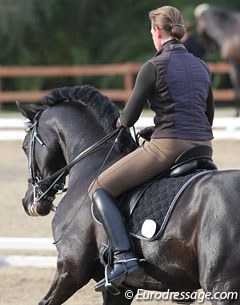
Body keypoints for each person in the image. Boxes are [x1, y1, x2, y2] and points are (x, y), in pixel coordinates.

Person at [89, 5, 214, 293]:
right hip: (204, 147)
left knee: (99, 187)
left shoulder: (153, 66)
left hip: (168, 147)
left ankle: (124, 258)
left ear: (157, 32)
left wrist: (125, 122)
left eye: (151, 32)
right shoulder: (202, 66)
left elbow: (128, 119)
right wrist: (158, 128)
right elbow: (206, 117)